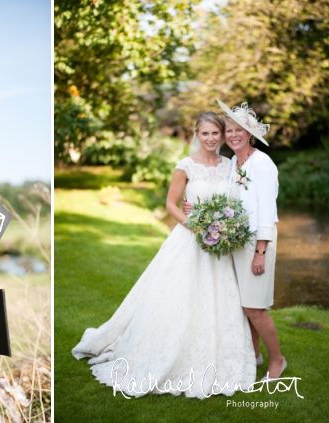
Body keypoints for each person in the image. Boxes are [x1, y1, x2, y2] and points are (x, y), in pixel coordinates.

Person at [72, 112, 256, 398]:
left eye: (215, 134)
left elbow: (236, 200)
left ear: (222, 135)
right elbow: (171, 204)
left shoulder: (230, 166)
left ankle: (218, 355)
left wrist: (224, 226)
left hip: (220, 245)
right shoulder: (185, 166)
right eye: (205, 133)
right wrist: (196, 227)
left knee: (219, 298)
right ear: (196, 134)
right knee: (176, 296)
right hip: (189, 239)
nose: (210, 139)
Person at [185, 101, 285, 381]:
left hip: (257, 243)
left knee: (255, 307)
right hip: (236, 242)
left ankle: (277, 361)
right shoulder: (234, 164)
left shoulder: (262, 163)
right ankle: (253, 356)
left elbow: (267, 210)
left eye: (239, 129)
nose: (233, 134)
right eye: (229, 130)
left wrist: (261, 251)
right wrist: (198, 210)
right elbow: (227, 204)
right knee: (244, 306)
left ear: (250, 134)